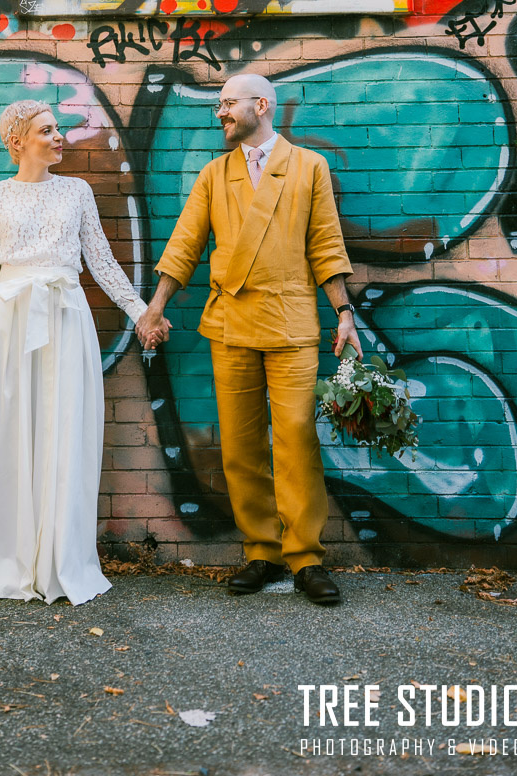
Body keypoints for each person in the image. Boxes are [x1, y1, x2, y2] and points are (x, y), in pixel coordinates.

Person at [135, 73, 362, 606]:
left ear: (261, 105)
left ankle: (305, 558)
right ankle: (262, 551)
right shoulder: (215, 174)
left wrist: (344, 313)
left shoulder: (309, 166)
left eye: (227, 103)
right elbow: (184, 244)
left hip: (291, 325)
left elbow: (326, 245)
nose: (219, 112)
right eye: (217, 104)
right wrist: (156, 305)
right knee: (239, 446)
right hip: (232, 325)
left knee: (297, 442)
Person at [0, 100, 153, 607]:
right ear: (17, 141)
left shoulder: (76, 191)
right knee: (4, 433)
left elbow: (102, 261)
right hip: (8, 322)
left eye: (58, 129)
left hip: (65, 318)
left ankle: (57, 559)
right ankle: (5, 557)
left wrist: (140, 311)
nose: (60, 137)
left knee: (62, 429)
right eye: (47, 130)